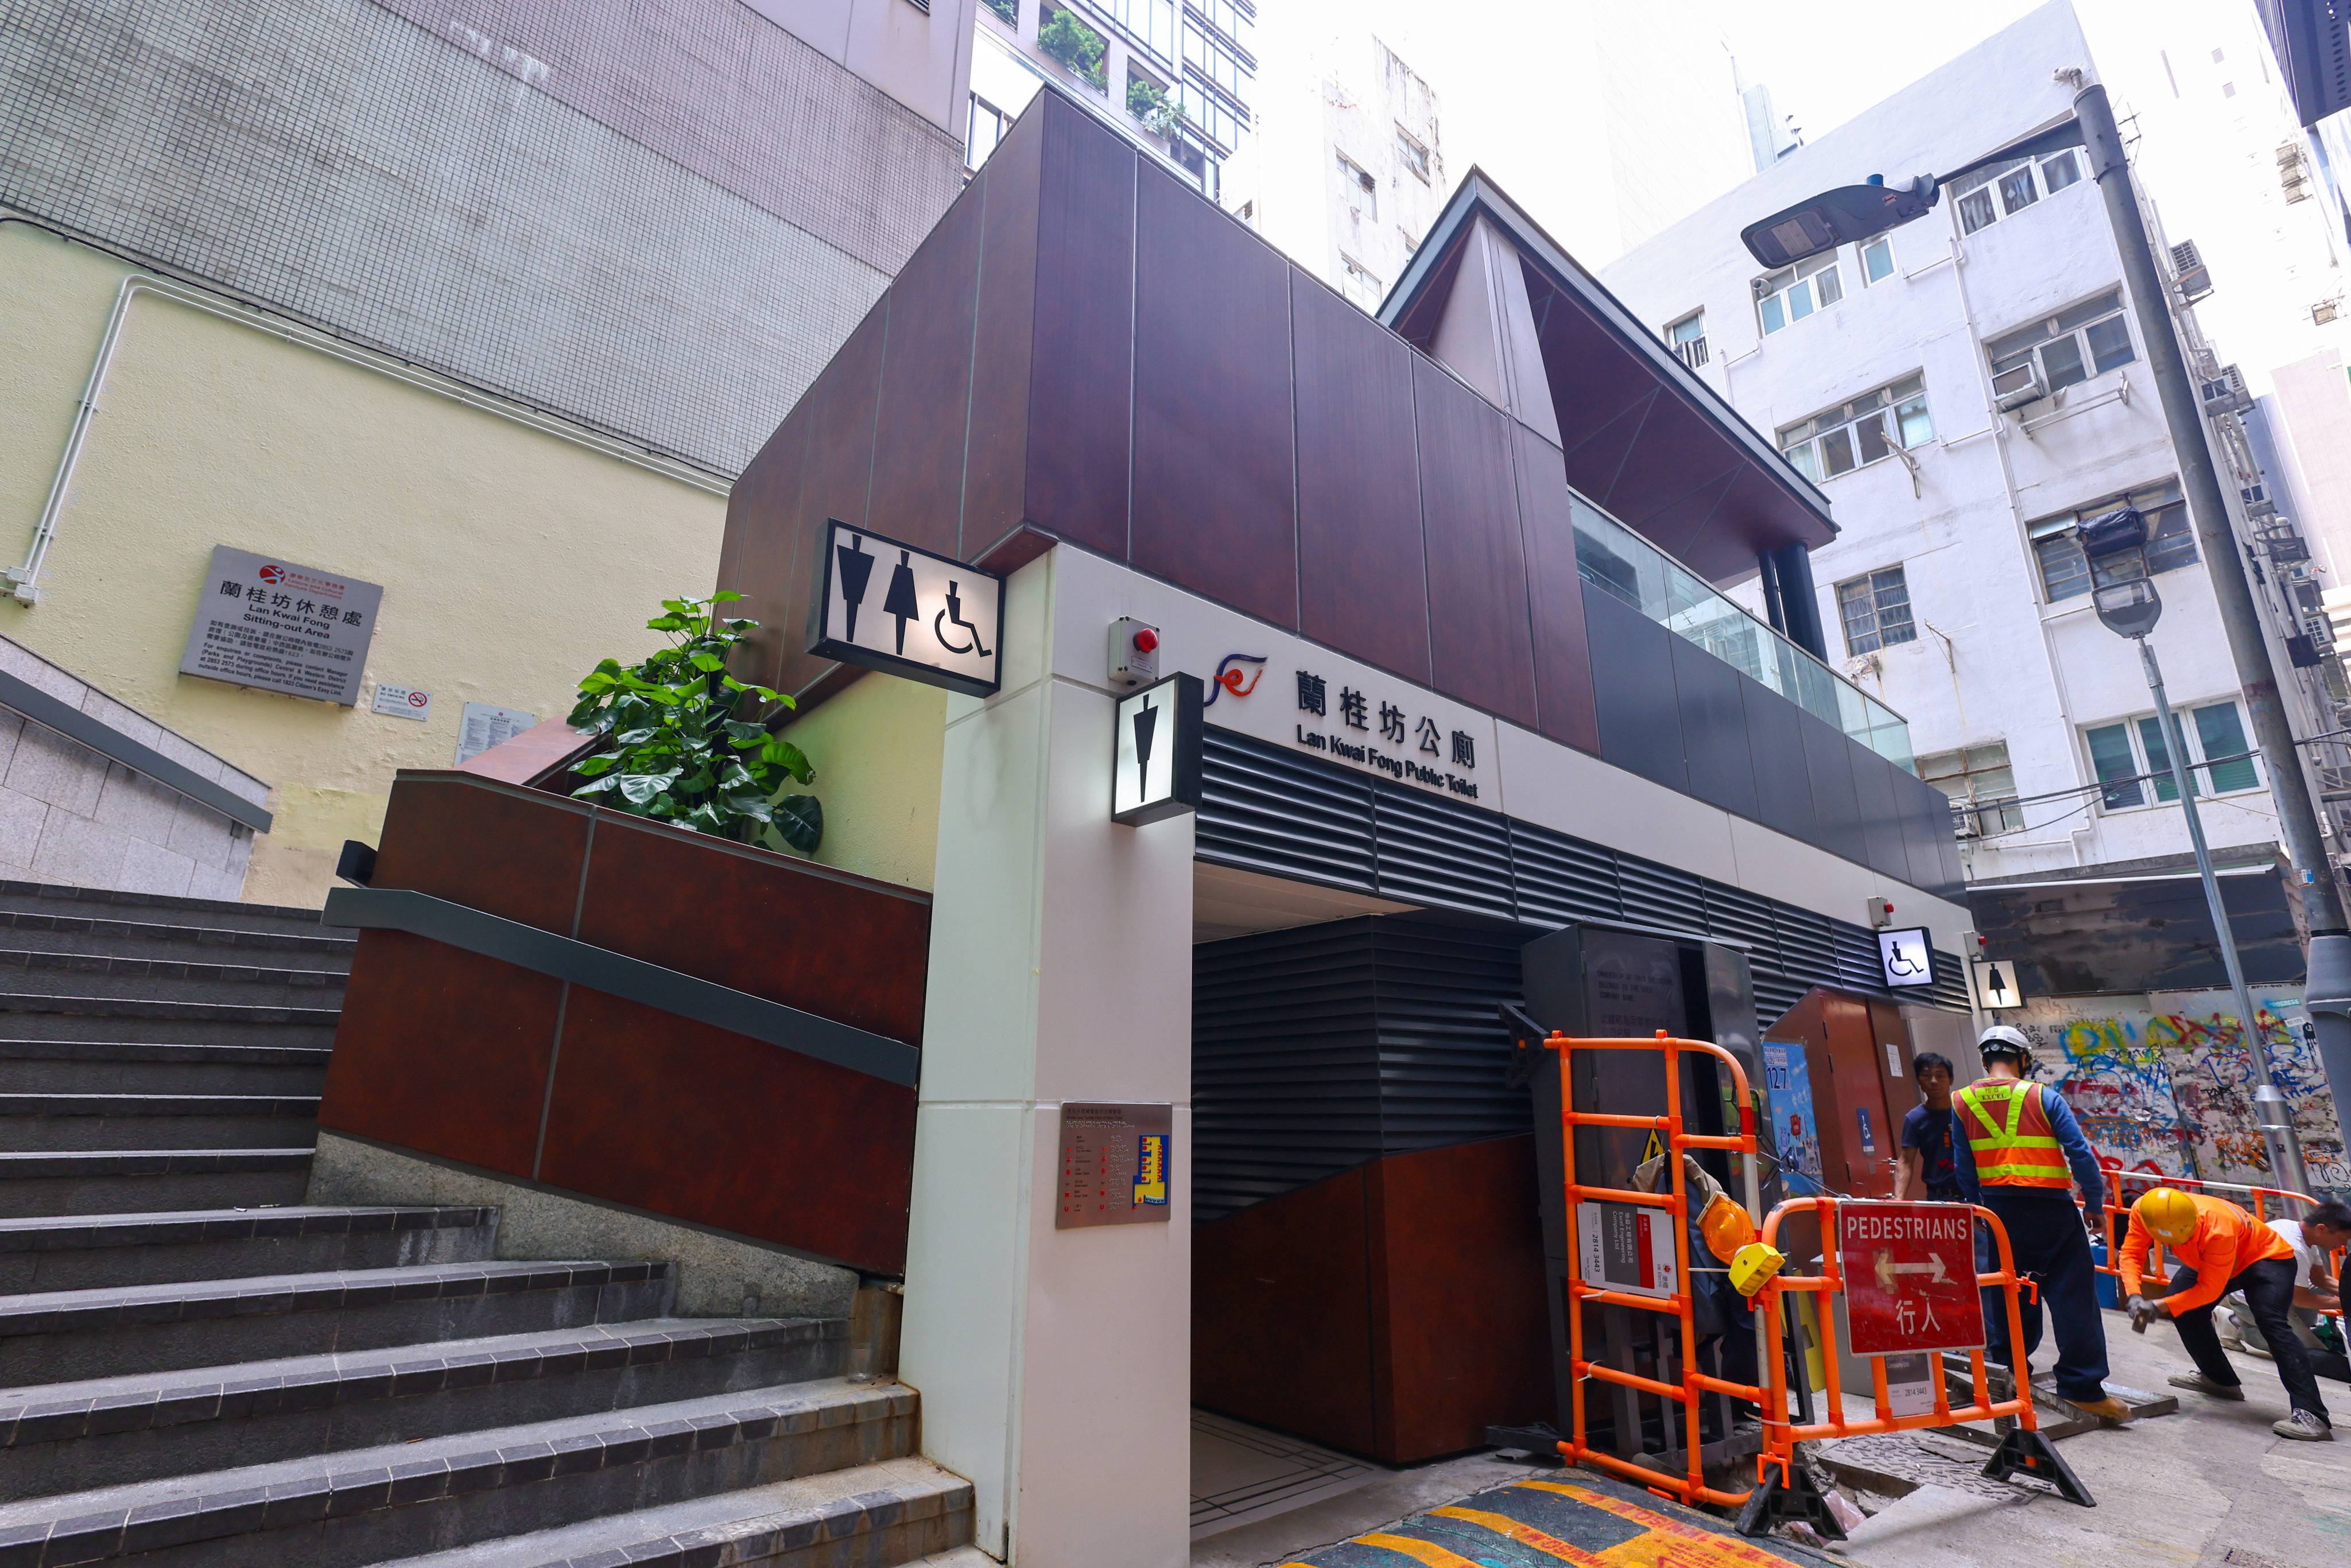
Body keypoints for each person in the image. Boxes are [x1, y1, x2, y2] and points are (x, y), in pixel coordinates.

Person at [1952, 1026, 2132, 1421]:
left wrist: (1976, 1205)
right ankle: (2082, 1386)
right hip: (2051, 1209)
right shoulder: (2042, 1096)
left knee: (2008, 1296)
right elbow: (2080, 1154)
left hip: (1998, 1213)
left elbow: (1963, 1165)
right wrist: (2095, 1203)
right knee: (2073, 1298)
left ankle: (2008, 1375)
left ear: (1984, 1059)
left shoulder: (1961, 1102)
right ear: (2024, 1059)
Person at [2122, 1187, 2334, 1439]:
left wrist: (2157, 1306)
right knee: (2186, 1311)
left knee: (2272, 1324)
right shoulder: (2145, 1211)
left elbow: (2209, 1290)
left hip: (2267, 1258)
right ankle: (2219, 1380)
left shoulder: (2217, 1228)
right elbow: (2132, 1253)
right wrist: (2134, 1294)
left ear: (2193, 1222)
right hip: (2210, 1257)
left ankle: (2313, 1415)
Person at [2221, 1200, 2351, 1384]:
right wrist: (2346, 1303)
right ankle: (2237, 1326)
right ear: (2322, 1229)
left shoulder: (2305, 1235)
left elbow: (2321, 1280)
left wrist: (2347, 1294)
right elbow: (2301, 1299)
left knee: (2313, 1309)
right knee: (2300, 1351)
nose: (2341, 1246)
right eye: (2341, 1240)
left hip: (2275, 1291)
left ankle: (2289, 1328)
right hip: (2251, 1299)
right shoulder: (2294, 1247)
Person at [1894, 1051, 1962, 1202]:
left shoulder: (1965, 1111)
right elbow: (1906, 1161)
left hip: (1974, 1194)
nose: (1933, 1081)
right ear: (1919, 1080)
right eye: (1926, 1076)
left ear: (1951, 1080)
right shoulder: (1915, 1119)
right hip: (1938, 1197)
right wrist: (1898, 1199)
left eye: (1940, 1076)